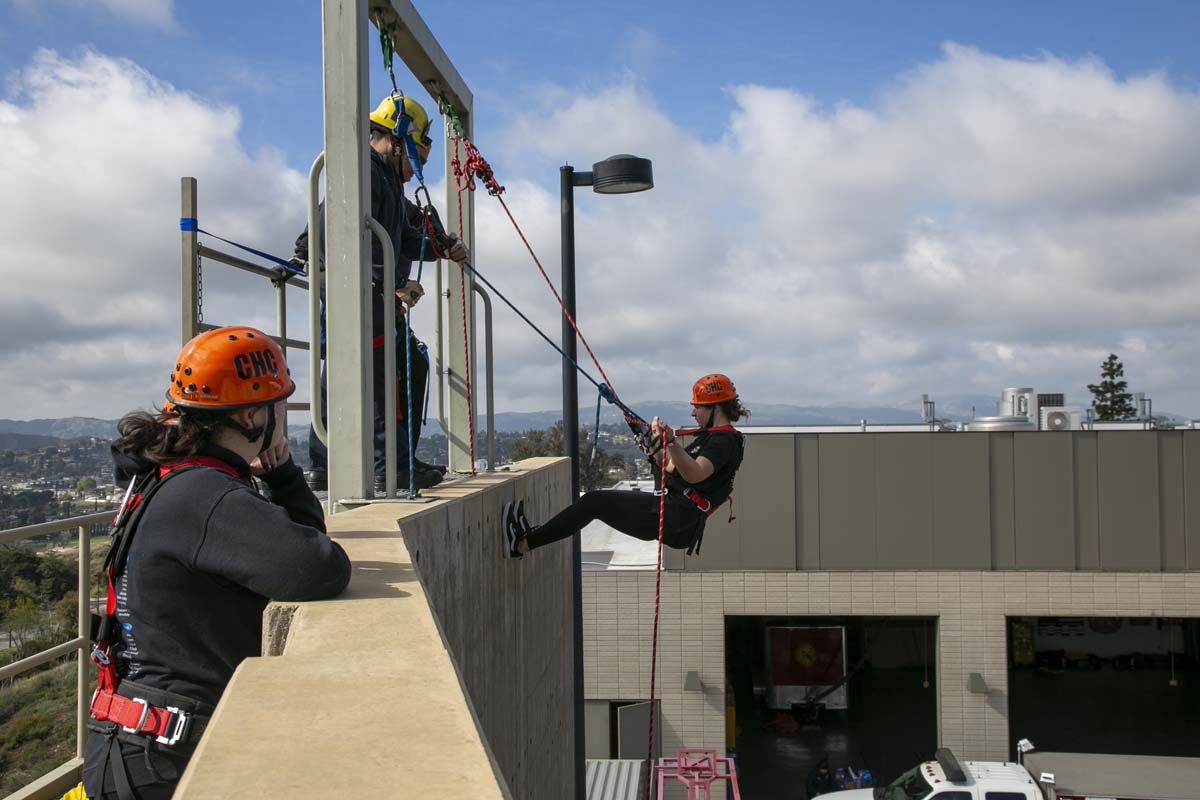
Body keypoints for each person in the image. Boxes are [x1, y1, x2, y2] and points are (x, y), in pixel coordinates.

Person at [82, 326, 352, 800]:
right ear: (252, 416)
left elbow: (304, 545)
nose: (283, 416)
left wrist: (283, 475)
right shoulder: (207, 497)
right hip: (161, 764)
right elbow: (321, 566)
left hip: (137, 745)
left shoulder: (170, 478)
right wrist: (284, 476)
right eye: (279, 406)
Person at [297, 91, 469, 493]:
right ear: (400, 138)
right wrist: (386, 283)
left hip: (364, 288)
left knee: (389, 366)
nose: (418, 169)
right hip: (352, 288)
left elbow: (403, 237)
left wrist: (441, 249)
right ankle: (385, 464)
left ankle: (375, 460)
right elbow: (342, 235)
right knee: (377, 371)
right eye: (419, 158)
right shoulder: (362, 171)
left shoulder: (385, 178)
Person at [503, 374, 749, 558]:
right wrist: (655, 449)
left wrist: (671, 441)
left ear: (715, 407)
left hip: (677, 517)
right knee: (595, 503)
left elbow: (695, 474)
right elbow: (674, 467)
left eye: (698, 406)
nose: (693, 413)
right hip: (675, 513)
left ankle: (523, 544)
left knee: (594, 502)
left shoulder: (723, 441)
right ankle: (528, 539)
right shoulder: (710, 438)